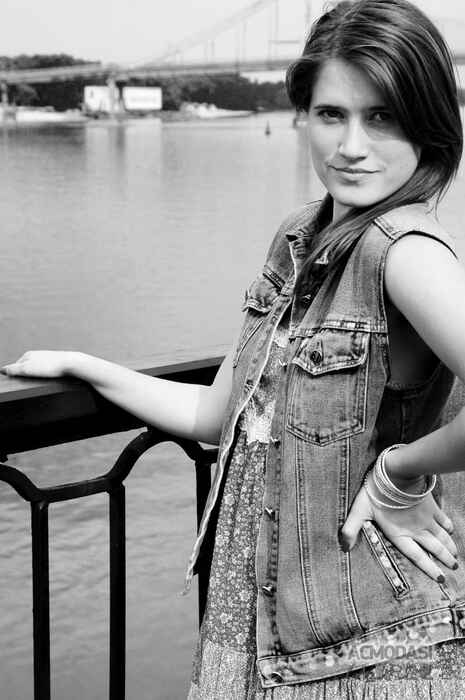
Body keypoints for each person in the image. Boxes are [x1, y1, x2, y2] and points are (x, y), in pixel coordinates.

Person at [3, 0, 465, 696]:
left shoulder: (402, 253)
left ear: (427, 126)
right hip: (264, 630)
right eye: (330, 114)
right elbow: (219, 416)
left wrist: (400, 473)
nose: (350, 145)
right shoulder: (302, 237)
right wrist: (87, 366)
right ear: (303, 115)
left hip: (369, 650)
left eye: (382, 117)